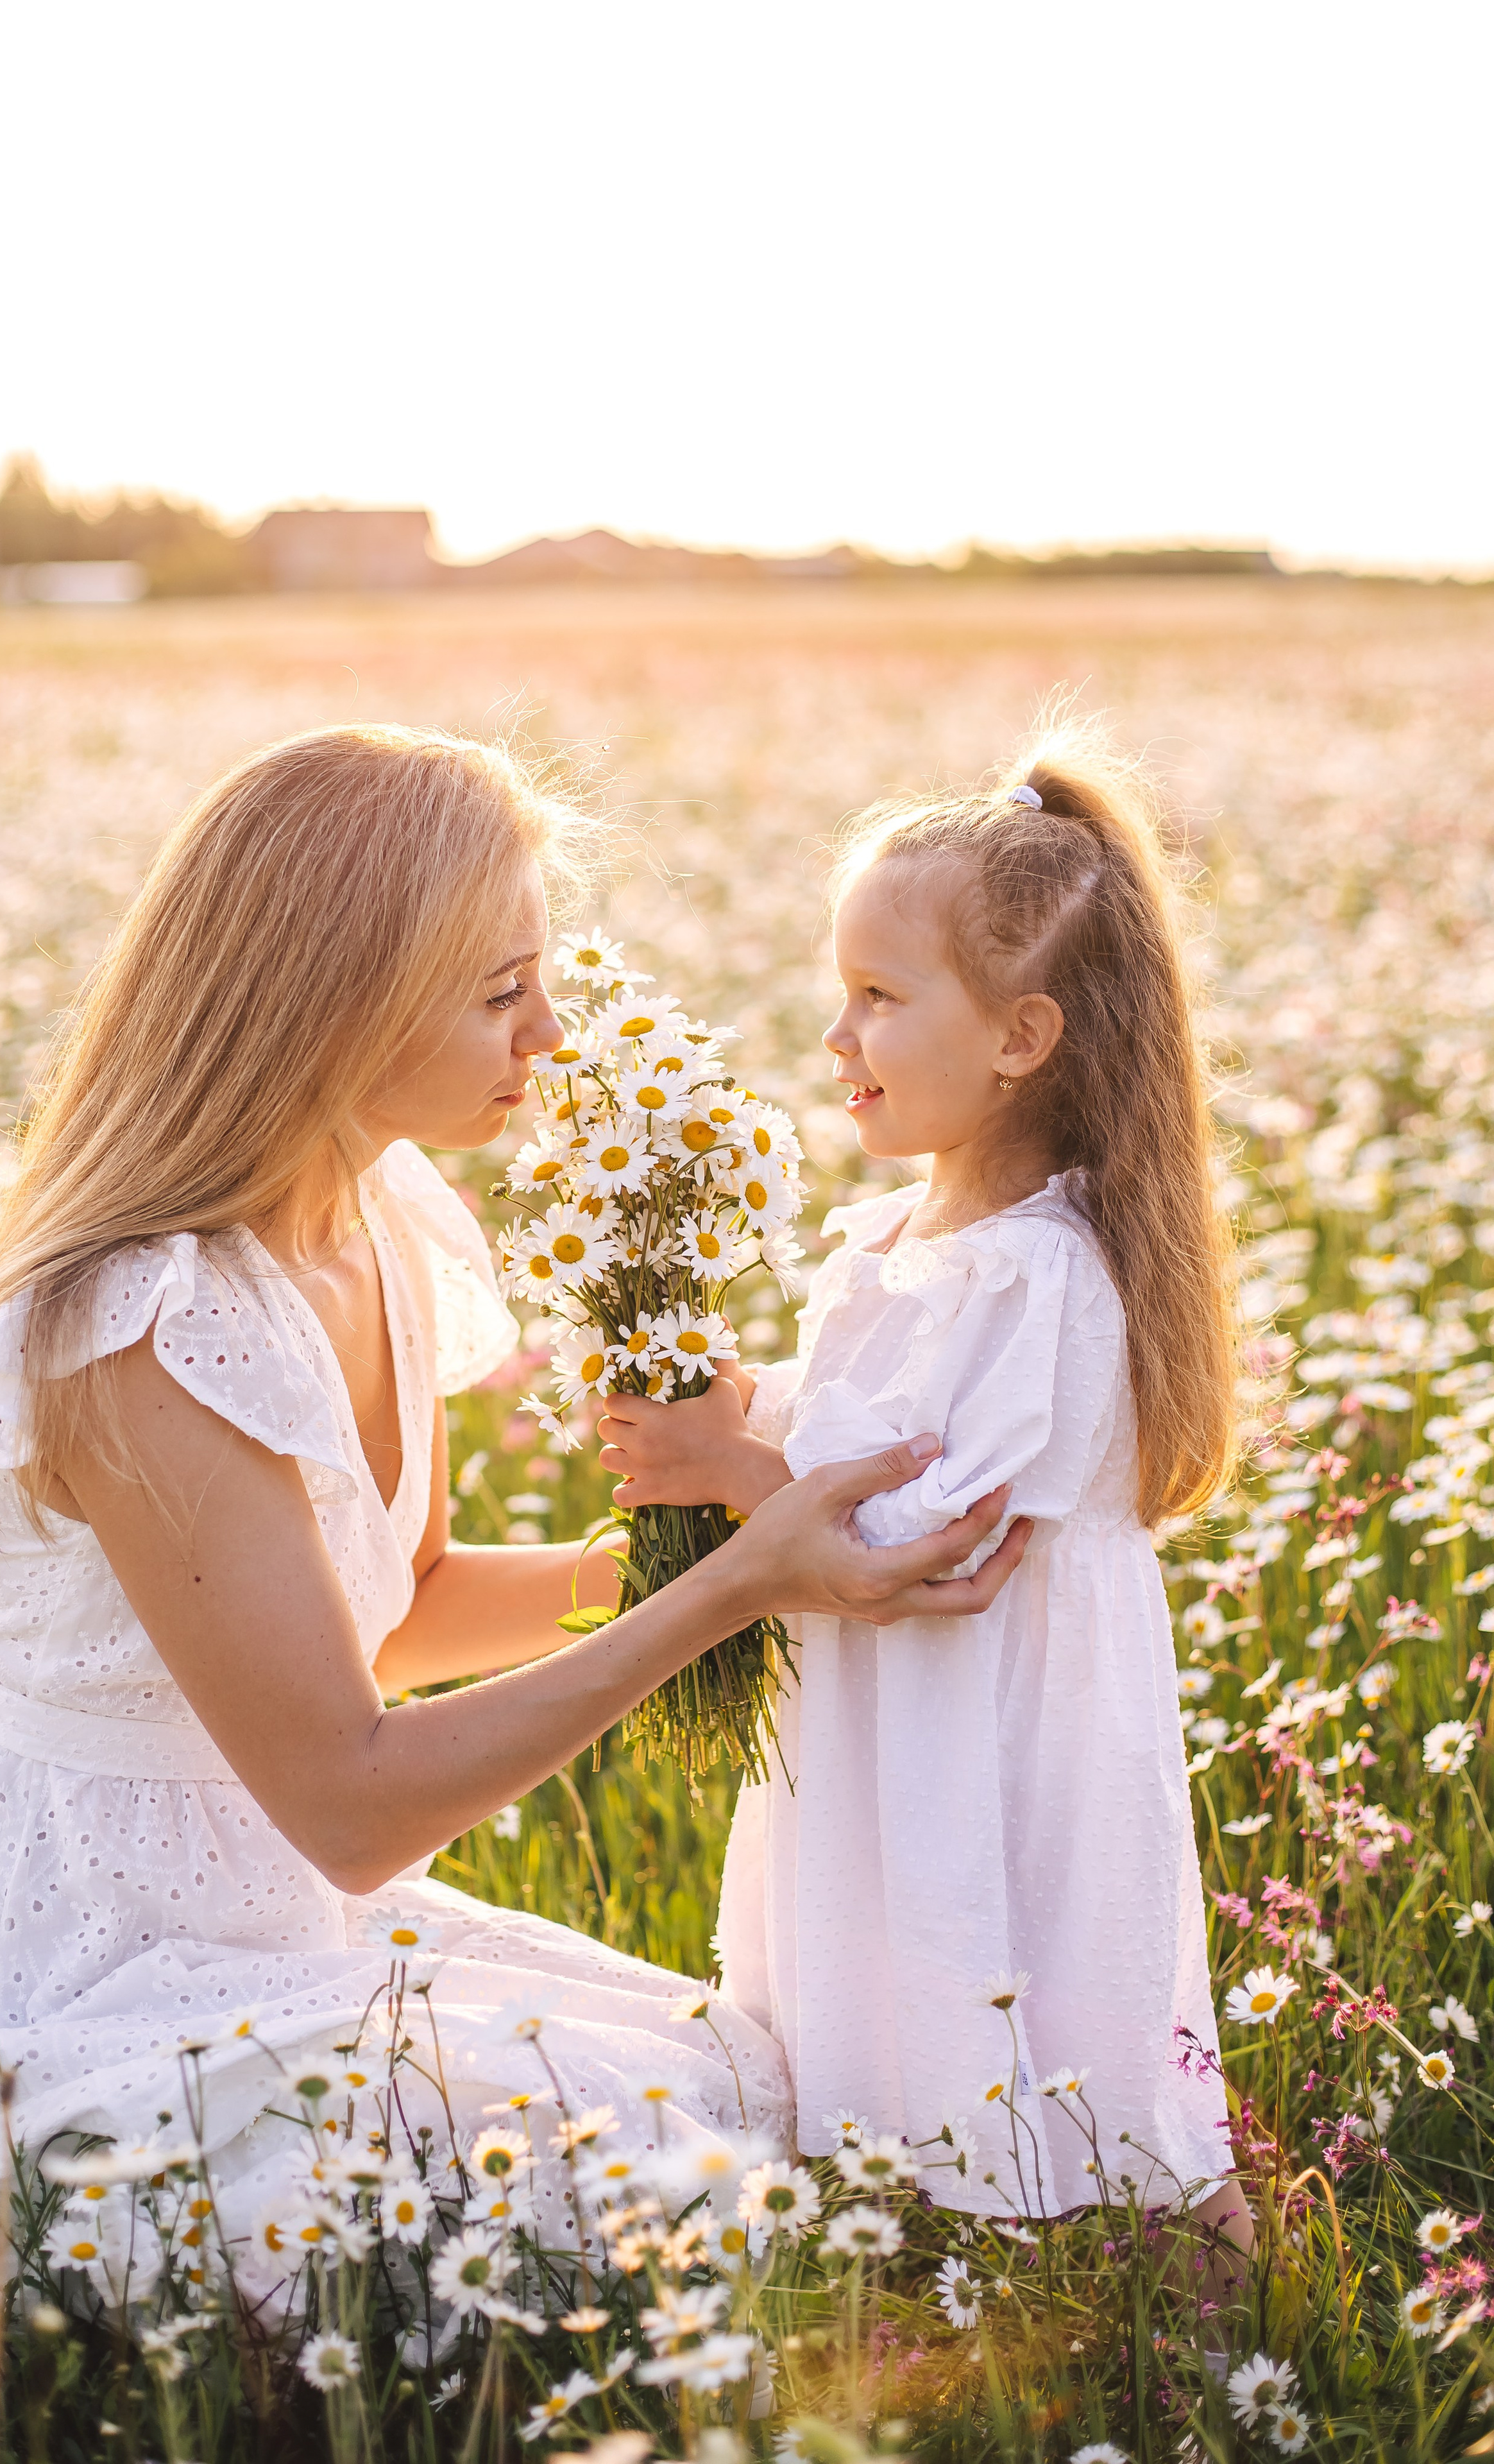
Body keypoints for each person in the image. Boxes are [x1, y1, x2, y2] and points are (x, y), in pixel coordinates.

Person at [0, 723, 1026, 2284]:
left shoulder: (376, 1221)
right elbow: (351, 1806)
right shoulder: (144, 1320)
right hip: (28, 1981)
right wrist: (736, 1591)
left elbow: (397, 1613)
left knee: (741, 2078)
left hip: (243, 1920)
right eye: (498, 994)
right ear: (333, 1009)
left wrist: (736, 1517)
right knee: (667, 2165)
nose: (551, 1031)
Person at [598, 721, 1250, 2250]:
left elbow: (937, 1540)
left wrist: (736, 1464)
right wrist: (730, 1404)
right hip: (885, 1718)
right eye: (841, 992)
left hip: (992, 1717)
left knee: (1037, 1980)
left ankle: (1187, 2282)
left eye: (878, 999)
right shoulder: (888, 1244)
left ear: (1021, 1038)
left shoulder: (1045, 1273)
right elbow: (865, 1430)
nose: (835, 1036)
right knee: (886, 1976)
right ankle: (927, 2236)